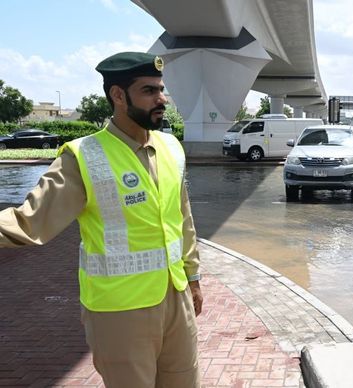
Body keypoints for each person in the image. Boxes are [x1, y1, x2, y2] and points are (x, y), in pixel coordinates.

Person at [0, 52, 203, 387]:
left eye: (161, 90)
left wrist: (193, 277)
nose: (161, 99)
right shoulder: (82, 157)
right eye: (149, 91)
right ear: (118, 96)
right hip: (119, 310)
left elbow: (183, 218)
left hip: (176, 299)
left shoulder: (171, 147)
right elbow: (28, 222)